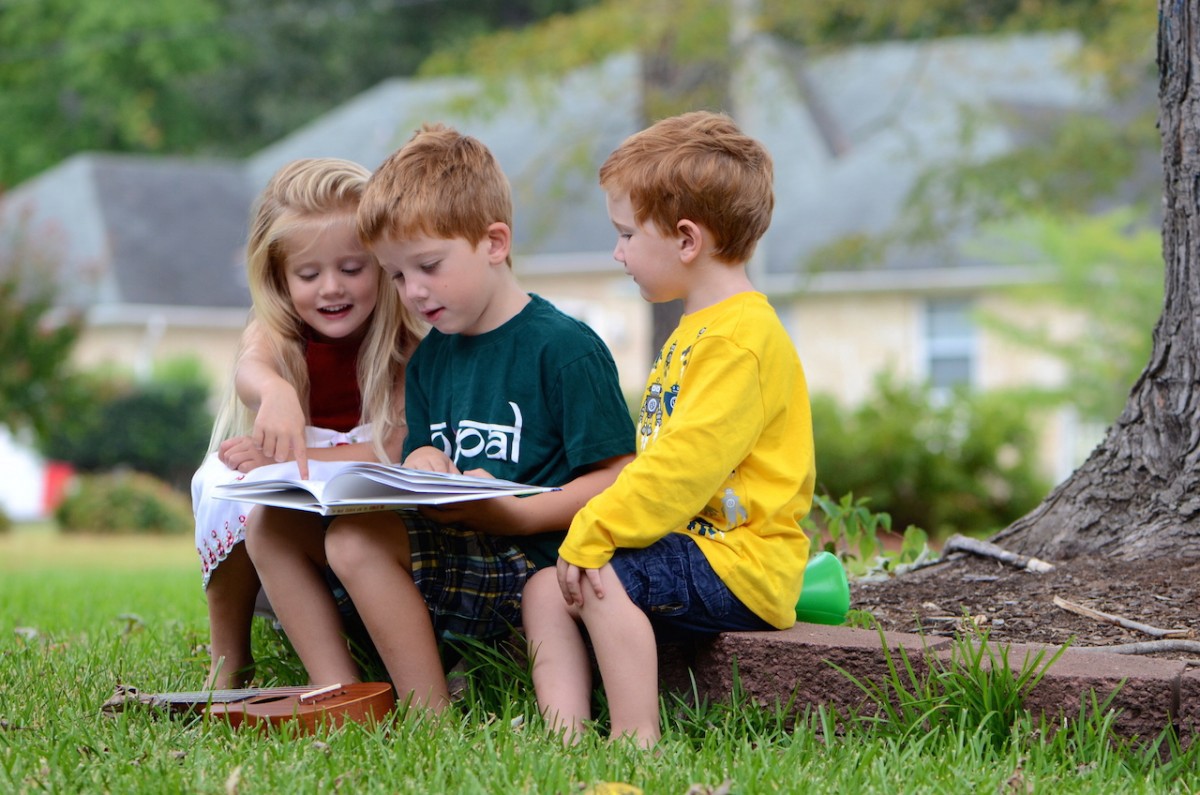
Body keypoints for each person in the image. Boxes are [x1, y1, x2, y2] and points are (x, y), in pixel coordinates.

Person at [247, 123, 636, 713]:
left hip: (535, 563)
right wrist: (425, 461)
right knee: (270, 525)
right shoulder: (431, 359)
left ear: (495, 242)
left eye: (429, 266)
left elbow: (618, 478)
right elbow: (424, 455)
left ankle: (427, 714)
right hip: (455, 549)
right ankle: (340, 694)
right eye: (397, 275)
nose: (413, 291)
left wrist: (511, 510)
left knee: (354, 540)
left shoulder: (563, 349)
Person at [521, 110, 817, 747]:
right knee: (546, 589)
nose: (618, 252)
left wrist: (597, 527)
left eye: (627, 234)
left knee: (598, 578)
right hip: (693, 548)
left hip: (742, 561)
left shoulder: (739, 340)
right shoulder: (699, 328)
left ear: (687, 240)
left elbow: (680, 468)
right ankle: (564, 739)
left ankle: (636, 742)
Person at [191, 157, 423, 690]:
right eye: (309, 274)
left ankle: (361, 666)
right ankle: (230, 659)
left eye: (352, 268)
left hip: (365, 473)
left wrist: (299, 460)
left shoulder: (404, 340)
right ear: (279, 277)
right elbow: (251, 370)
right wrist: (275, 391)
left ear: (382, 264)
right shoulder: (275, 330)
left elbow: (392, 449)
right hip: (293, 467)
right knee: (220, 482)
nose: (331, 288)